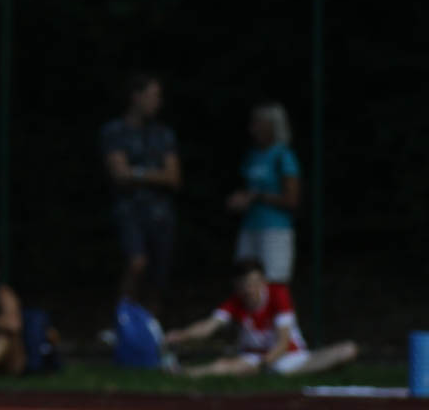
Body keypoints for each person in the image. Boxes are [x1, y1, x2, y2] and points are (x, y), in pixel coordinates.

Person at [164, 257, 356, 377]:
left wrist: (265, 364)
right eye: (243, 285)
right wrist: (182, 335)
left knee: (347, 349)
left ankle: (286, 372)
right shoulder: (236, 302)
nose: (249, 290)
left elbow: (283, 341)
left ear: (263, 281)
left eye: (253, 283)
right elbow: (209, 326)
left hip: (289, 356)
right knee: (224, 366)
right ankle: (186, 373)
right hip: (252, 357)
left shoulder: (279, 295)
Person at [99, 73, 180, 311]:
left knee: (159, 274)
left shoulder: (163, 133)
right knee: (137, 263)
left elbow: (174, 178)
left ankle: (151, 325)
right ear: (136, 97)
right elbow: (119, 175)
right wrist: (156, 174)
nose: (158, 102)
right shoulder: (115, 131)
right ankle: (123, 321)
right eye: (153, 96)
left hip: (162, 214)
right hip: (130, 211)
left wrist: (136, 172)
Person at [227, 103, 300, 284]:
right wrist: (239, 199)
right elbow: (248, 189)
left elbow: (292, 199)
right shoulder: (252, 155)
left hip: (275, 229)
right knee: (244, 281)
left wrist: (257, 197)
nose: (253, 128)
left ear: (272, 125)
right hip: (250, 226)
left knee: (274, 282)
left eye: (258, 122)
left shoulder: (283, 155)